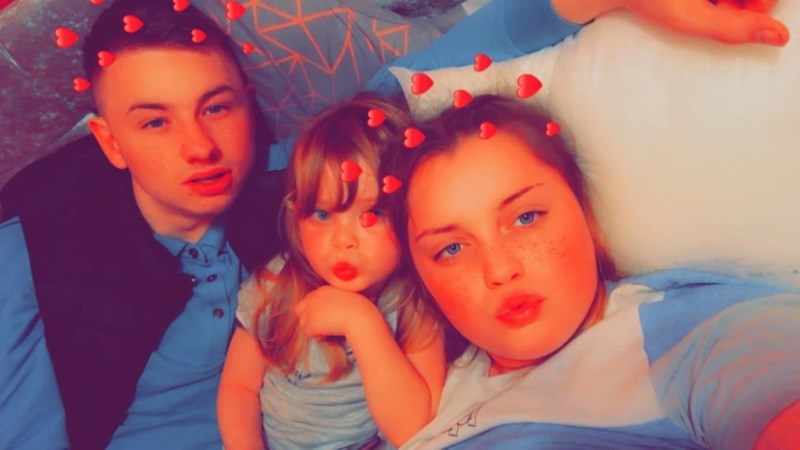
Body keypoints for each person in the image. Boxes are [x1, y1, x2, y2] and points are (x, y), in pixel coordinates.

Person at [0, 0, 790, 448]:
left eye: (217, 107)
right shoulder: (34, 242)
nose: (199, 147)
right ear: (109, 140)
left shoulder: (315, 182)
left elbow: (455, 61)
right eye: (154, 121)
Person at [384, 94, 800, 449]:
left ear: (584, 212)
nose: (500, 269)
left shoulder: (694, 334)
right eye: (452, 248)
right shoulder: (428, 392)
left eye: (526, 218)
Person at [217, 93, 444, 449]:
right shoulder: (276, 285)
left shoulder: (412, 303)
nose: (343, 241)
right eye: (322, 214)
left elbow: (413, 428)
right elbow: (238, 388)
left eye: (372, 215)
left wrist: (362, 323)